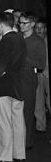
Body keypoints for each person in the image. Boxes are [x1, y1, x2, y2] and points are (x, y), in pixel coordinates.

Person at [0, 12, 26, 162]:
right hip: (18, 84)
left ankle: (4, 157)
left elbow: (1, 63)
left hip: (4, 86)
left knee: (3, 122)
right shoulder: (20, 38)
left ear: (2, 25)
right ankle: (19, 154)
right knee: (17, 121)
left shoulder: (5, 40)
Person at [19, 12, 46, 149]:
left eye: (25, 23)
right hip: (15, 77)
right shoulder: (18, 38)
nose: (21, 25)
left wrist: (25, 57)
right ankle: (18, 139)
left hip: (29, 77)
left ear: (32, 24)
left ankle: (27, 142)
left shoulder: (38, 41)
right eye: (20, 22)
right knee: (16, 110)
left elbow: (41, 65)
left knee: (27, 111)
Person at [34, 19, 49, 132]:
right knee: (38, 103)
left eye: (41, 27)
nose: (39, 30)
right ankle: (41, 127)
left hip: (48, 75)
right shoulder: (33, 41)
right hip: (37, 75)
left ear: (45, 29)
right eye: (37, 28)